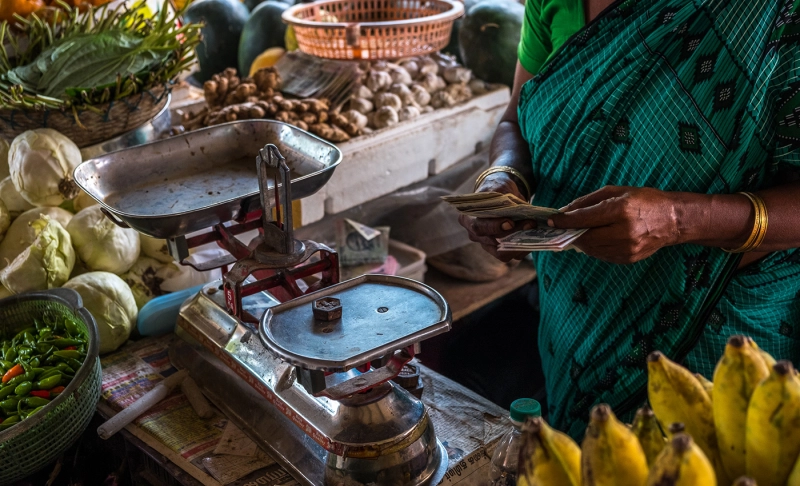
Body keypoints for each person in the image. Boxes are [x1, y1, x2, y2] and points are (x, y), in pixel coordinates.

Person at [458, 0, 800, 439]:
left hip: (715, 329)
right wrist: (503, 178)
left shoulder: (771, 14)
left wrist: (677, 219)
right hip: (574, 314)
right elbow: (515, 119)